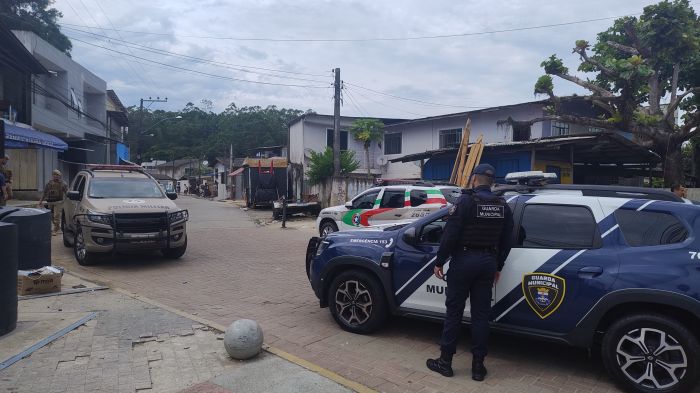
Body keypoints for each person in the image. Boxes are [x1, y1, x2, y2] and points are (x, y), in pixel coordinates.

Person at [426, 163, 514, 382]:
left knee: (454, 313)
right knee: (481, 316)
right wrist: (498, 266)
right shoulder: (503, 205)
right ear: (492, 182)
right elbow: (507, 240)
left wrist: (439, 261)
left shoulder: (465, 201)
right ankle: (478, 368)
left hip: (464, 261)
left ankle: (445, 362)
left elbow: (450, 235)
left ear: (474, 179)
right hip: (488, 263)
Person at [38, 170, 69, 235]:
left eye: (57, 175)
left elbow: (67, 193)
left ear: (60, 176)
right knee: (51, 216)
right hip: (50, 202)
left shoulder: (63, 183)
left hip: (58, 202)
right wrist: (40, 201)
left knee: (56, 216)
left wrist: (68, 201)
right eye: (54, 174)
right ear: (52, 175)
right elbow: (44, 192)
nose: (56, 176)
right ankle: (58, 228)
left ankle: (54, 230)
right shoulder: (49, 183)